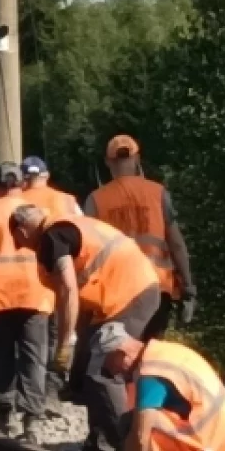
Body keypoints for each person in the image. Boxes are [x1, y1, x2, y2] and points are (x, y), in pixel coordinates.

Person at [9, 204, 161, 451]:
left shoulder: (52, 237)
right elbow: (79, 290)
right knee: (89, 366)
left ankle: (129, 447)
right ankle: (100, 443)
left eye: (19, 240)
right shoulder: (67, 226)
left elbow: (68, 288)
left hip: (129, 295)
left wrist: (66, 342)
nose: (22, 246)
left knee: (103, 369)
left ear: (23, 230)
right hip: (126, 293)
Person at [90, 323, 225, 451]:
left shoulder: (151, 375)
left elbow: (139, 438)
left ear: (120, 355)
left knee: (132, 428)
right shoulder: (165, 351)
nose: (112, 373)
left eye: (108, 365)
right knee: (143, 422)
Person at [0, 163, 53, 442]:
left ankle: (4, 413)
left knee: (1, 354)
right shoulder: (39, 211)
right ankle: (32, 420)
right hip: (36, 291)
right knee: (33, 357)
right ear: (21, 183)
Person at [85, 135, 197, 337]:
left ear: (108, 162)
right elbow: (176, 244)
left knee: (118, 355)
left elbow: (88, 254)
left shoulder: (96, 200)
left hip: (115, 291)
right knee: (149, 353)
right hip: (156, 285)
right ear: (137, 158)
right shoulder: (158, 193)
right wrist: (188, 288)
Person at [19, 155, 81, 413]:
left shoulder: (19, 201)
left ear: (24, 178)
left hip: (27, 281)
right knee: (59, 334)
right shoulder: (66, 200)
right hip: (63, 279)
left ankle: (31, 398)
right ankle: (53, 390)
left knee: (31, 345)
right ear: (45, 175)